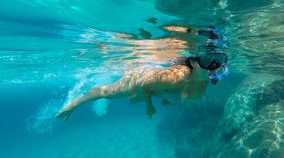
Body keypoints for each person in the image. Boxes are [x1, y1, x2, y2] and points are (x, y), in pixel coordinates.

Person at [56, 26, 228, 120]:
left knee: (133, 101)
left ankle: (151, 94)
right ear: (192, 61)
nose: (213, 66)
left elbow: (184, 91)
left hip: (158, 85)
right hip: (142, 77)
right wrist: (149, 106)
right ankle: (74, 104)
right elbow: (145, 84)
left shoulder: (204, 76)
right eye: (206, 61)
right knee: (107, 92)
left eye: (219, 60)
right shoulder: (178, 77)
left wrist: (166, 97)